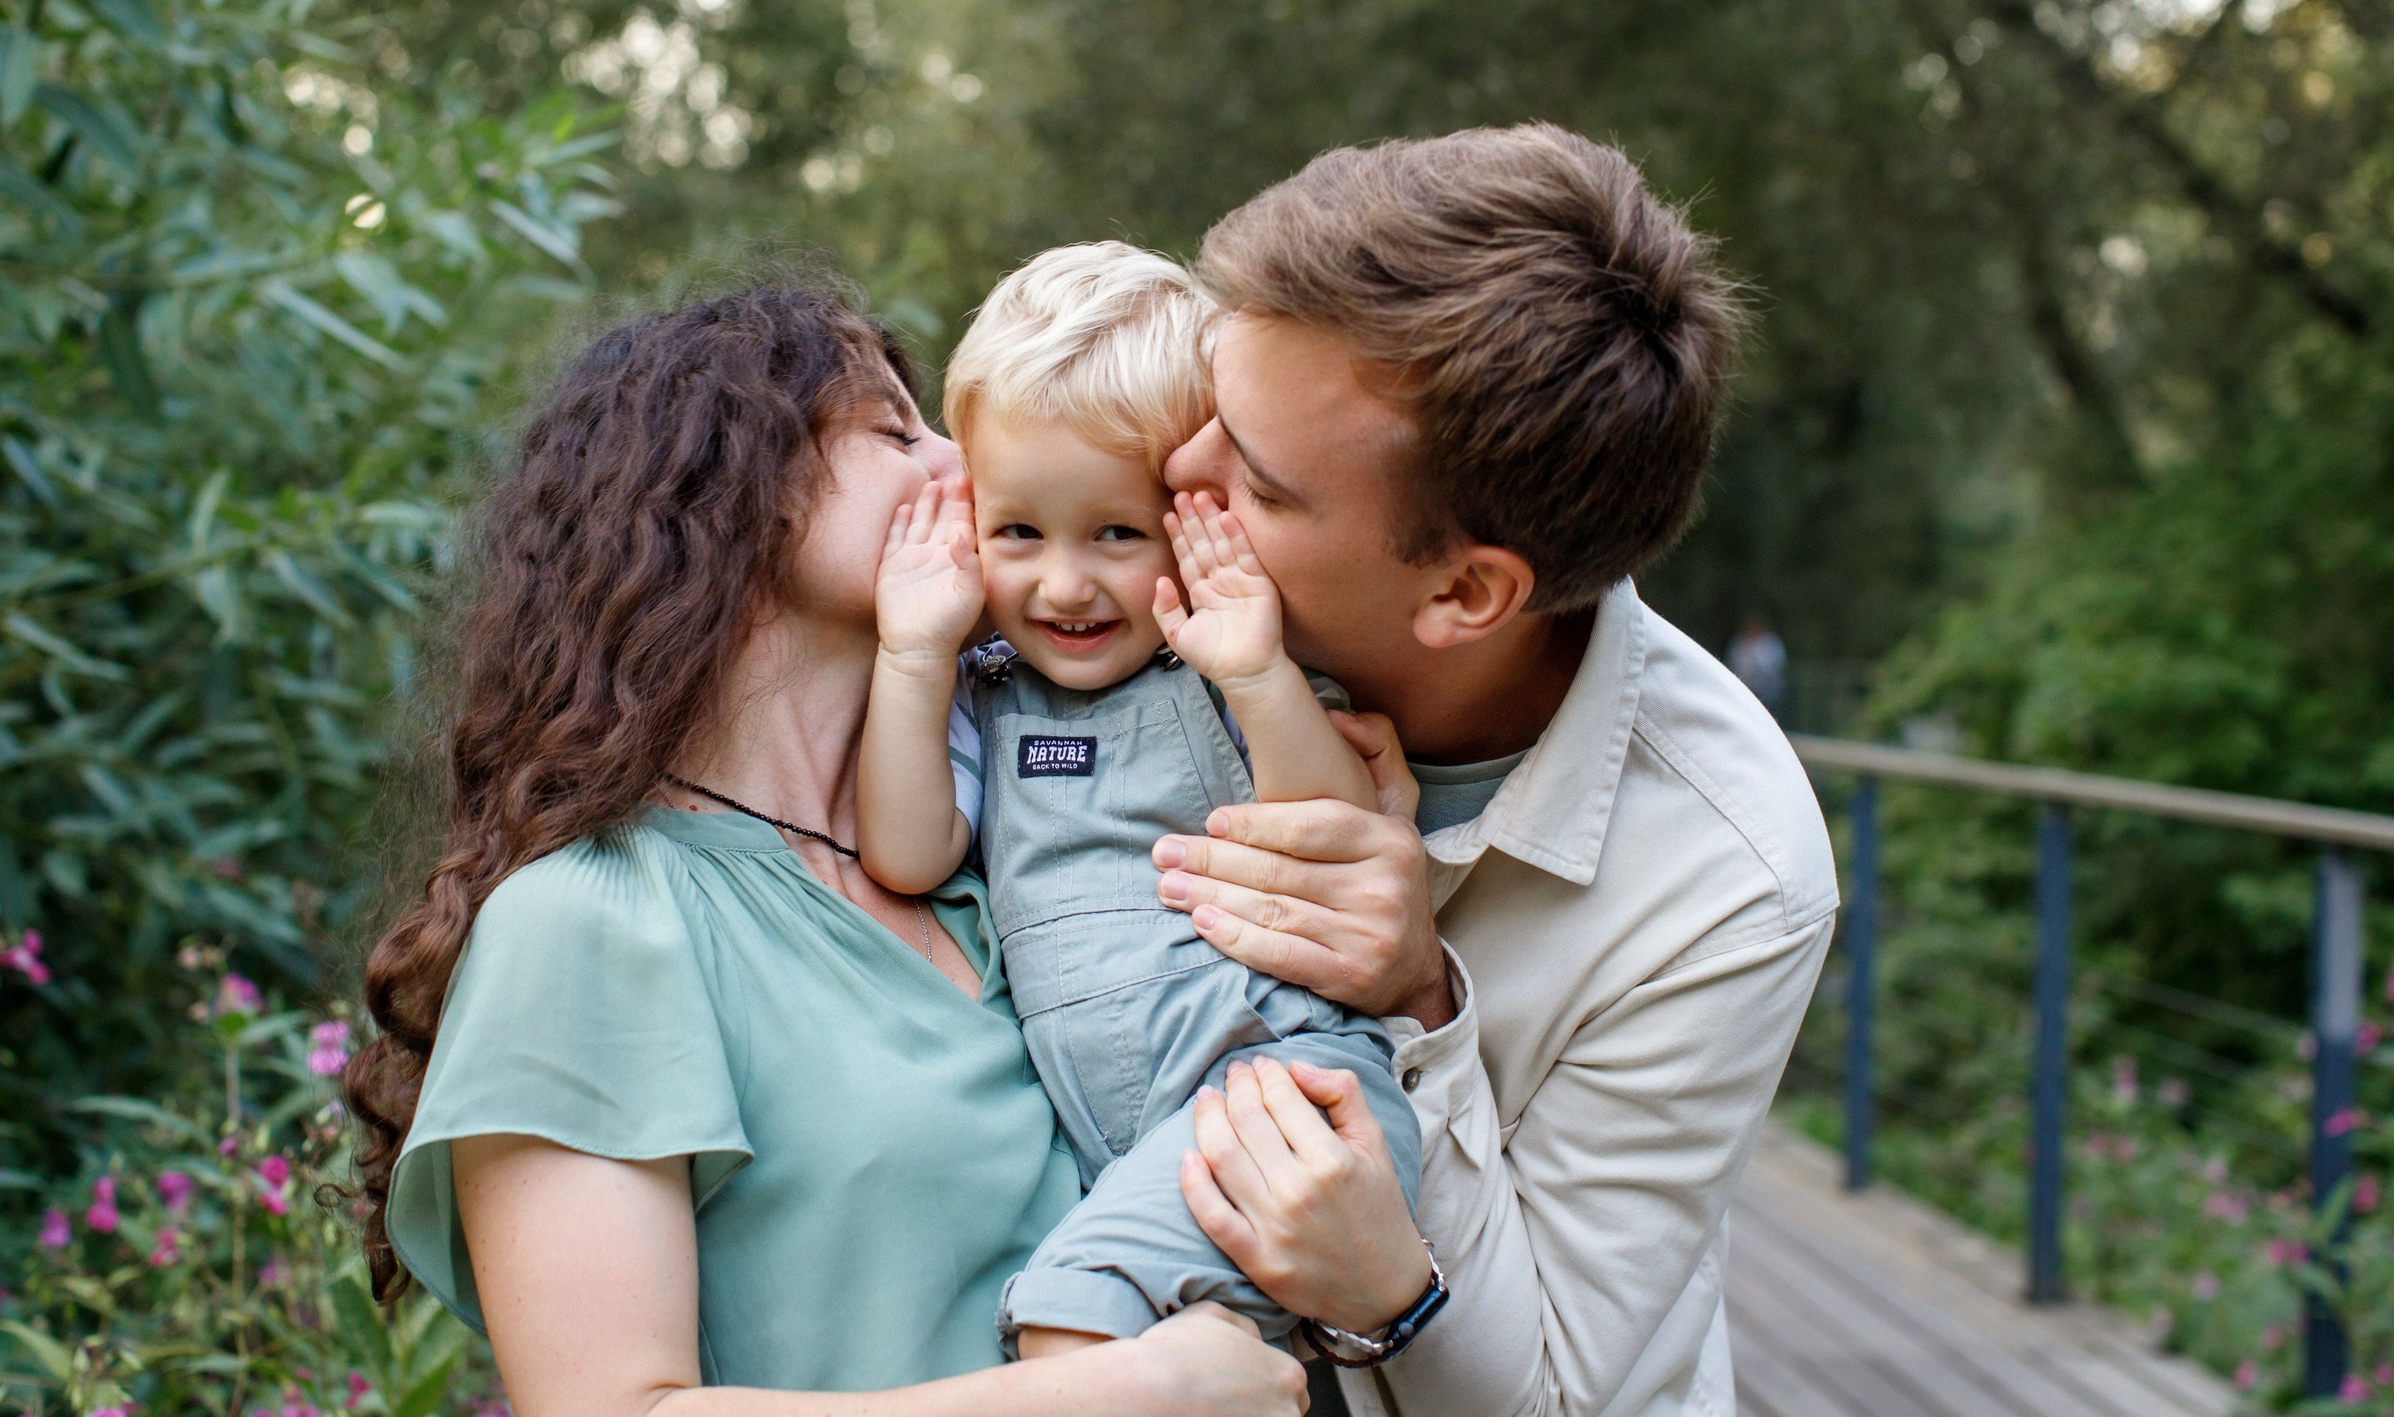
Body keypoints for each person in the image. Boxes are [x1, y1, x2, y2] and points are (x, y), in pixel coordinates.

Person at [339, 282, 1429, 1416]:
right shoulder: (593, 918)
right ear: (728, 494)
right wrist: (1125, 1392)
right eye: (895, 429)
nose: (962, 460)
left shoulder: (988, 858)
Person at [1150, 125, 1840, 1416]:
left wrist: (1417, 999)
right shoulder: (1151, 608)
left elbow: (1564, 1394)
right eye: (1212, 410)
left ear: (1467, 590)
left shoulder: (1727, 872)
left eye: (1257, 477)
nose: (1179, 472)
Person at [855, 245, 1426, 1361]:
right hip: (1111, 1144)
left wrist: (1255, 674)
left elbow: (1338, 840)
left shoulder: (1219, 668)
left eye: (1115, 532)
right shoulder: (987, 699)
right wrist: (913, 657)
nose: (1064, 584)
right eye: (1018, 532)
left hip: (1277, 1095)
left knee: (1072, 1319)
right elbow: (911, 852)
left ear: (1194, 517)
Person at [1726, 620, 1789, 720]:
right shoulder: (1739, 643)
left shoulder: (1771, 643)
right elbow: (1736, 666)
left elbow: (1772, 668)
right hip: (1747, 690)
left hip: (1768, 692)